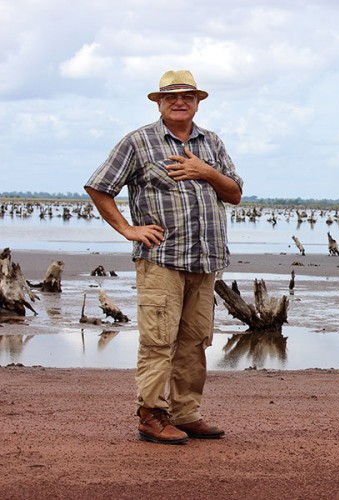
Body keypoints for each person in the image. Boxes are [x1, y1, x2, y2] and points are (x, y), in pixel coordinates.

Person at [85, 70, 244, 445]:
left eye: (187, 96)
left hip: (205, 261)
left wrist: (206, 172)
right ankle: (151, 416)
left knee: (194, 340)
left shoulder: (212, 143)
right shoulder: (139, 142)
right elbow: (98, 186)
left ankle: (186, 414)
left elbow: (235, 193)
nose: (179, 102)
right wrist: (128, 230)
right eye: (171, 96)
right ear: (158, 102)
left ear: (198, 102)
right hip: (161, 260)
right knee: (158, 340)